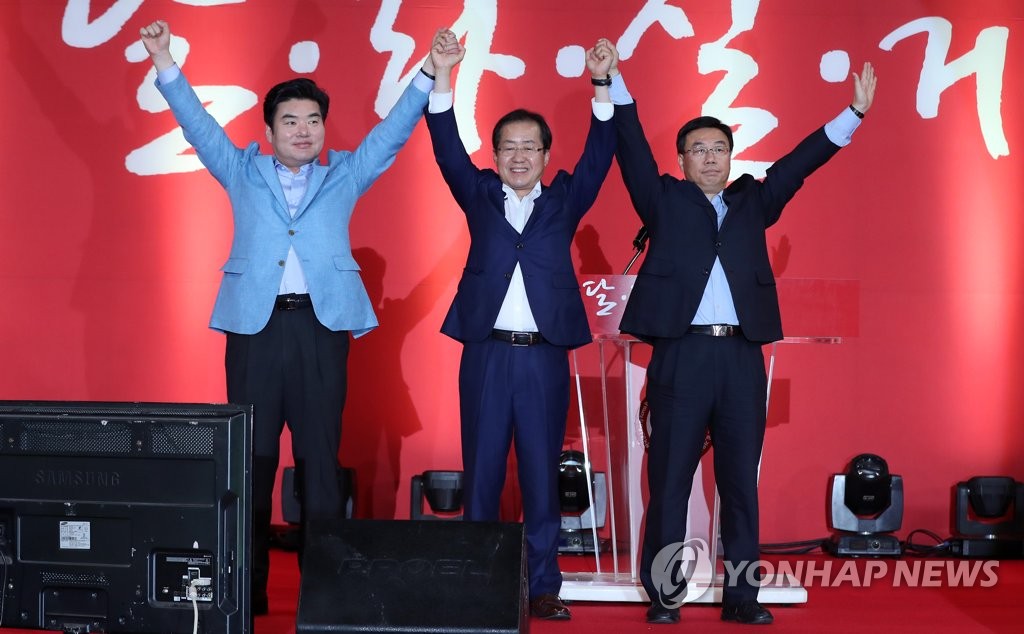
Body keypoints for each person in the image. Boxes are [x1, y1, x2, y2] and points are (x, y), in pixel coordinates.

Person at [139, 20, 447, 615]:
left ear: (323, 128)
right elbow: (197, 125)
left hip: (321, 329)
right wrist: (165, 63)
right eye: (290, 121)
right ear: (270, 130)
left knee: (320, 465)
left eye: (313, 120)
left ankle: (322, 595)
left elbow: (391, 133)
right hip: (255, 331)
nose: (303, 130)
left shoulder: (344, 175)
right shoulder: (241, 170)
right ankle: (247, 592)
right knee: (250, 464)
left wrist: (430, 71)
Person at [609, 59, 877, 625]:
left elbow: (799, 165)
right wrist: (612, 84)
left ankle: (742, 598)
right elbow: (629, 147)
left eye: (719, 149)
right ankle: (665, 596)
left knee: (739, 485)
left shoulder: (753, 201)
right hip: (681, 355)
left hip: (740, 358)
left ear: (731, 158)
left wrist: (852, 115)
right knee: (670, 481)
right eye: (699, 149)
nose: (710, 158)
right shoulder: (662, 199)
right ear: (682, 160)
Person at [425, 32, 618, 620]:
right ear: (495, 153)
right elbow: (446, 147)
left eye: (530, 147)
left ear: (545, 155)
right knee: (482, 474)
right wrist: (443, 75)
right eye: (508, 146)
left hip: (543, 357)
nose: (518, 156)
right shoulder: (479, 194)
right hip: (486, 353)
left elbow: (601, 152)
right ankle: (479, 586)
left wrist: (602, 84)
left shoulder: (565, 200)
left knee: (540, 476)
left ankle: (543, 587)